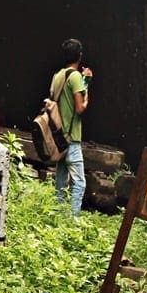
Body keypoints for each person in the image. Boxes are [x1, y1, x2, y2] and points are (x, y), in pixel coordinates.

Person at [50, 38, 94, 216]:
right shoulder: (75, 77)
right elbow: (80, 108)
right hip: (71, 139)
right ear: (80, 56)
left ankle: (58, 218)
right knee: (80, 183)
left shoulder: (57, 75)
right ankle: (73, 221)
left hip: (59, 136)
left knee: (61, 182)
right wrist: (87, 86)